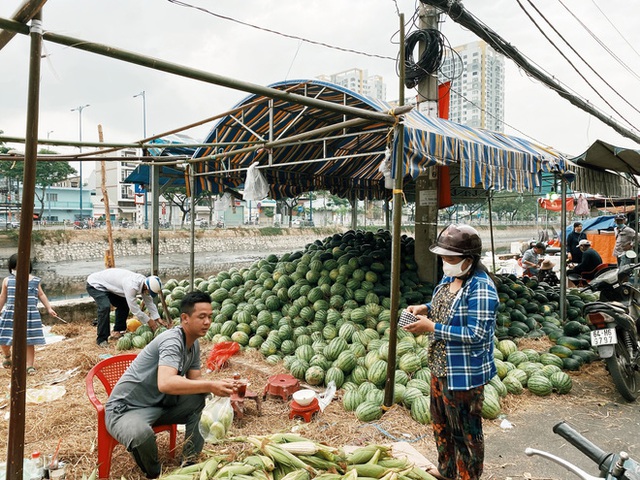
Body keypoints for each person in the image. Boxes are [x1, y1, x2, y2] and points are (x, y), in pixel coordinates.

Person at [105, 291, 236, 479]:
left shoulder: (193, 343)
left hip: (159, 405)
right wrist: (211, 384)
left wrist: (220, 385)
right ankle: (156, 473)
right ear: (185, 318)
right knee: (141, 434)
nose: (207, 322)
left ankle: (189, 463)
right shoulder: (172, 340)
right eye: (201, 317)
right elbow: (165, 383)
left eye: (209, 317)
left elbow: (195, 380)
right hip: (126, 409)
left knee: (201, 397)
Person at [403, 224, 498, 480]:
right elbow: (441, 304)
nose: (446, 262)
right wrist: (424, 308)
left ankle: (468, 476)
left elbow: (475, 333)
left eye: (451, 258)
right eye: (443, 257)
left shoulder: (482, 288)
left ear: (470, 259)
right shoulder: (450, 278)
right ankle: (447, 472)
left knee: (466, 433)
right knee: (441, 425)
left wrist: (432, 327)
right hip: (440, 368)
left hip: (464, 375)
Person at [0, 253, 57, 374]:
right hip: (11, 315)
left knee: (29, 341)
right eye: (15, 268)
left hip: (30, 316)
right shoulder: (7, 281)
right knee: (5, 340)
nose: (17, 271)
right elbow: (3, 297)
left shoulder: (35, 281)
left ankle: (29, 365)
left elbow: (41, 294)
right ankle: (6, 356)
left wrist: (49, 308)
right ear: (11, 268)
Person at [86, 268, 163, 347]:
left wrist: (157, 318)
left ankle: (117, 331)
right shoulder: (132, 286)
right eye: (149, 291)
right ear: (146, 287)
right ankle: (101, 339)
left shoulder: (144, 282)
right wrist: (149, 321)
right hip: (95, 284)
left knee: (123, 304)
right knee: (105, 307)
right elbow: (134, 309)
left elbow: (149, 301)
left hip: (108, 287)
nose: (148, 293)